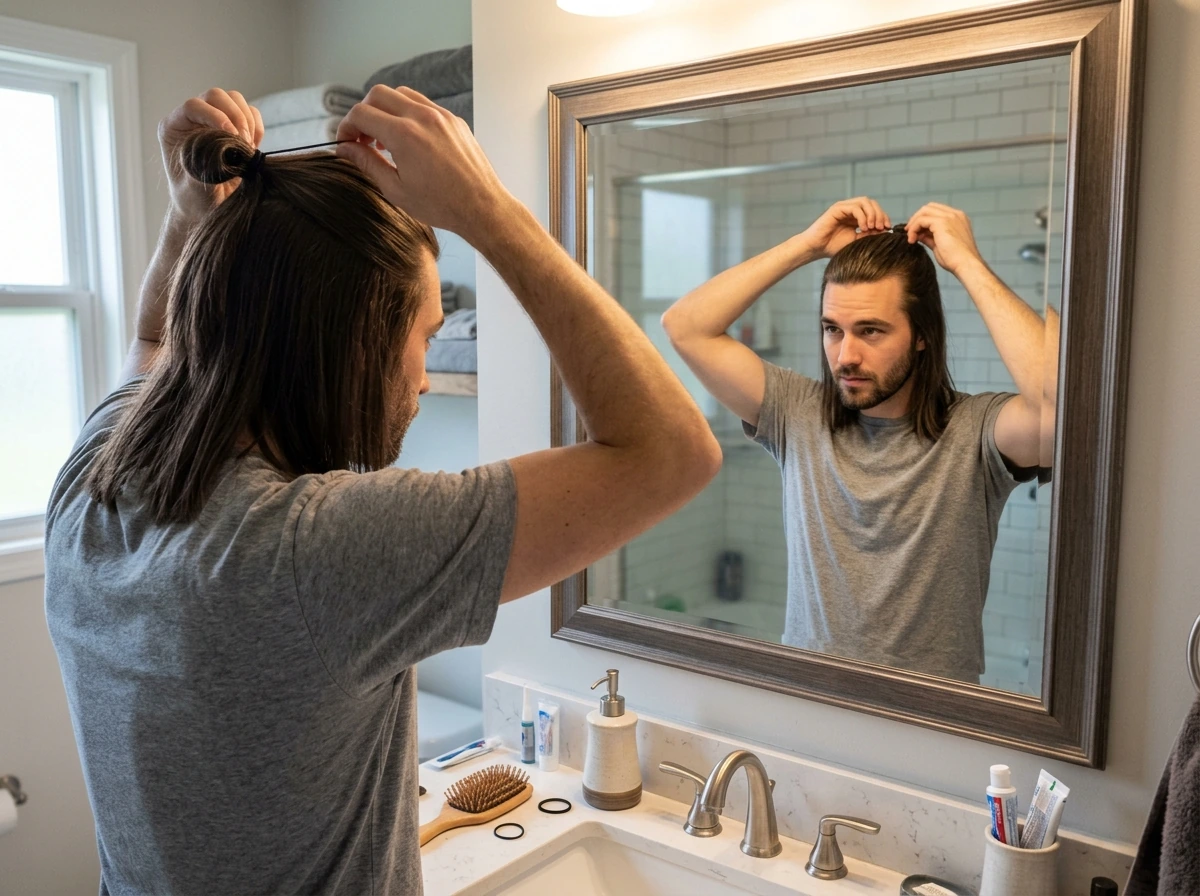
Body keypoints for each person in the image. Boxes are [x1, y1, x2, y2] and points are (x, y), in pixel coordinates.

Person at [43, 86, 720, 895]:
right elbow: (671, 450)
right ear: (362, 337)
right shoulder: (308, 550)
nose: (427, 379)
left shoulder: (94, 479)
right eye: (425, 336)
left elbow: (156, 340)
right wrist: (483, 208)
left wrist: (191, 217)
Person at [661, 197, 1054, 683]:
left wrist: (966, 264)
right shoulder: (797, 413)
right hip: (809, 706)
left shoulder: (976, 433)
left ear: (922, 334)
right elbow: (684, 327)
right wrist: (807, 246)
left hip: (935, 725)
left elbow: (1058, 408)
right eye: (832, 329)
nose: (845, 355)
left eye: (870, 331)